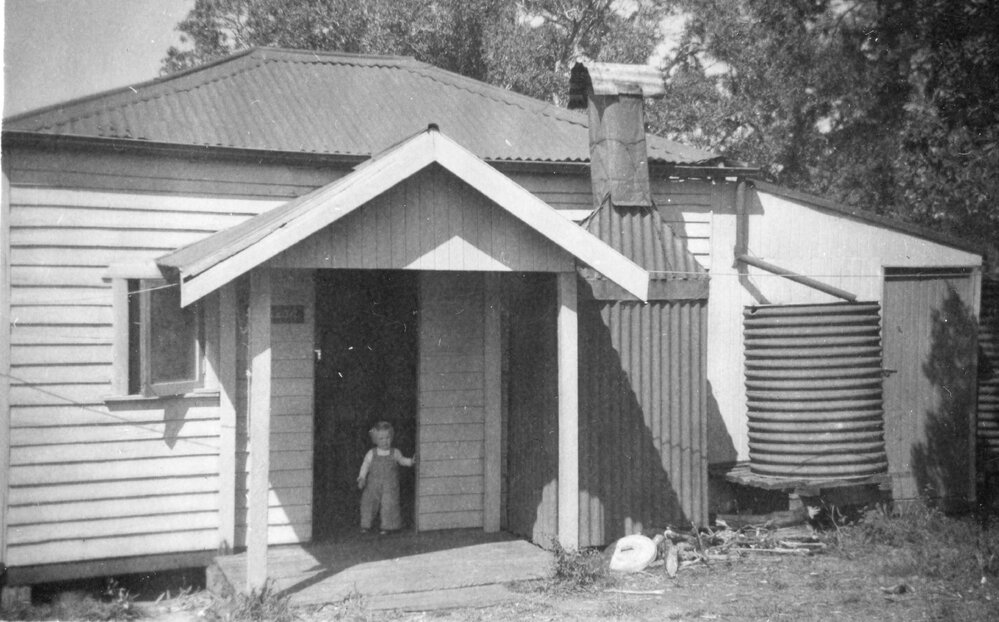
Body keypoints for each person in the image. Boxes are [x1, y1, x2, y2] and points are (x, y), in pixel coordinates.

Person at [357, 421, 415, 534]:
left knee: (389, 505)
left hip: (390, 485)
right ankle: (366, 525)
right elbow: (365, 465)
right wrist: (361, 477)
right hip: (372, 485)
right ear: (375, 440)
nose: (385, 441)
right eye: (381, 439)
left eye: (388, 438)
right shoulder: (371, 453)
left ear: (392, 437)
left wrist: (411, 462)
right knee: (368, 503)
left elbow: (402, 460)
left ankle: (388, 527)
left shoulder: (395, 452)